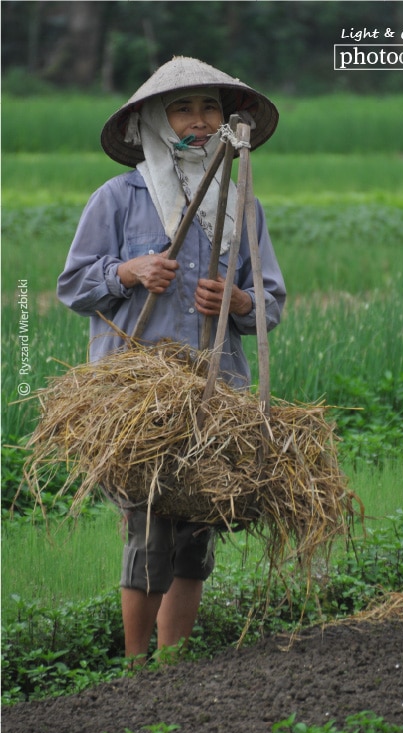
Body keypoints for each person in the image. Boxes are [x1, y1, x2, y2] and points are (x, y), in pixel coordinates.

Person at [57, 56, 286, 665]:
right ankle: (138, 673)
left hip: (215, 393)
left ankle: (173, 668)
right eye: (183, 109)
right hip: (136, 399)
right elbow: (73, 286)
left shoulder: (243, 204)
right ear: (155, 122)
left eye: (211, 107)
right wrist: (127, 271)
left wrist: (238, 300)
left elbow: (269, 299)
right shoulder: (118, 198)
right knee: (147, 531)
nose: (200, 120)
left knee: (194, 536)